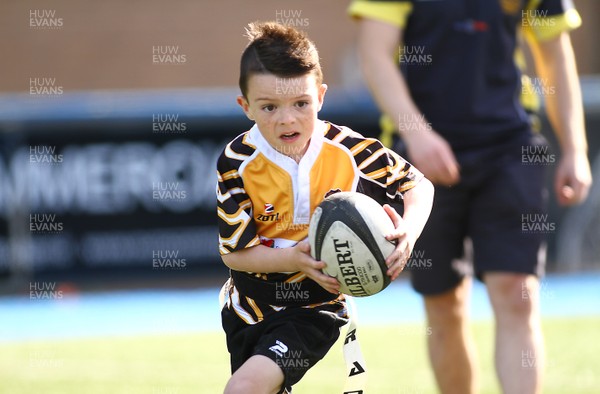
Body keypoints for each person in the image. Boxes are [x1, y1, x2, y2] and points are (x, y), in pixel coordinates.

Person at [349, 1, 593, 393]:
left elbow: (556, 56)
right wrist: (417, 134)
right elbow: (374, 55)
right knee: (444, 304)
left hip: (510, 147)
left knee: (519, 294)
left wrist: (575, 149)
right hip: (420, 161)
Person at [216, 21, 434, 394]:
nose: (287, 119)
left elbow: (418, 185)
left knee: (243, 388)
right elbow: (236, 255)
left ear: (320, 96)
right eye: (269, 107)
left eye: (301, 103)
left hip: (316, 306)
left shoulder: (349, 149)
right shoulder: (236, 161)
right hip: (247, 306)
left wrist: (408, 233)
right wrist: (296, 260)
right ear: (246, 106)